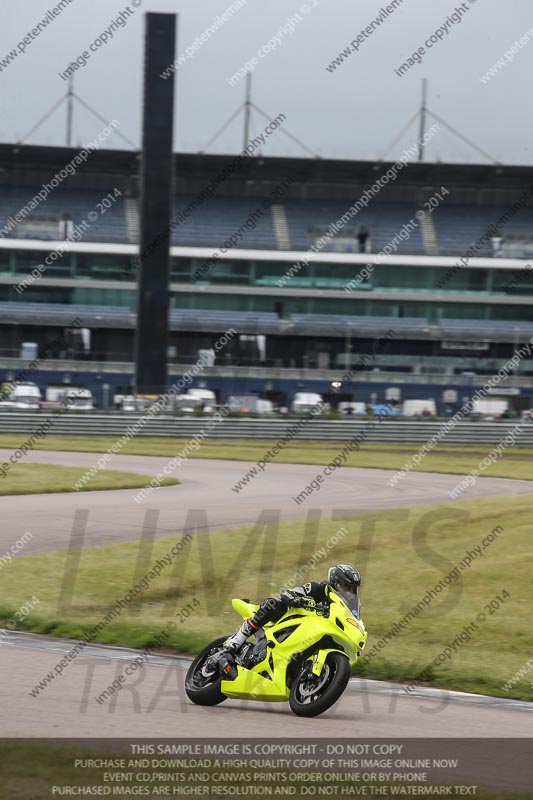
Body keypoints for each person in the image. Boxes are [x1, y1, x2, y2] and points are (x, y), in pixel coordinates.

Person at [223, 564, 361, 654]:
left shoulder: (347, 604)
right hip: (290, 619)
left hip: (312, 631)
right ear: (335, 583)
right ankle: (238, 638)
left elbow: (353, 618)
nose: (349, 591)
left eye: (352, 588)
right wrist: (295, 598)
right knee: (273, 604)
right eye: (346, 587)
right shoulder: (318, 589)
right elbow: (288, 592)